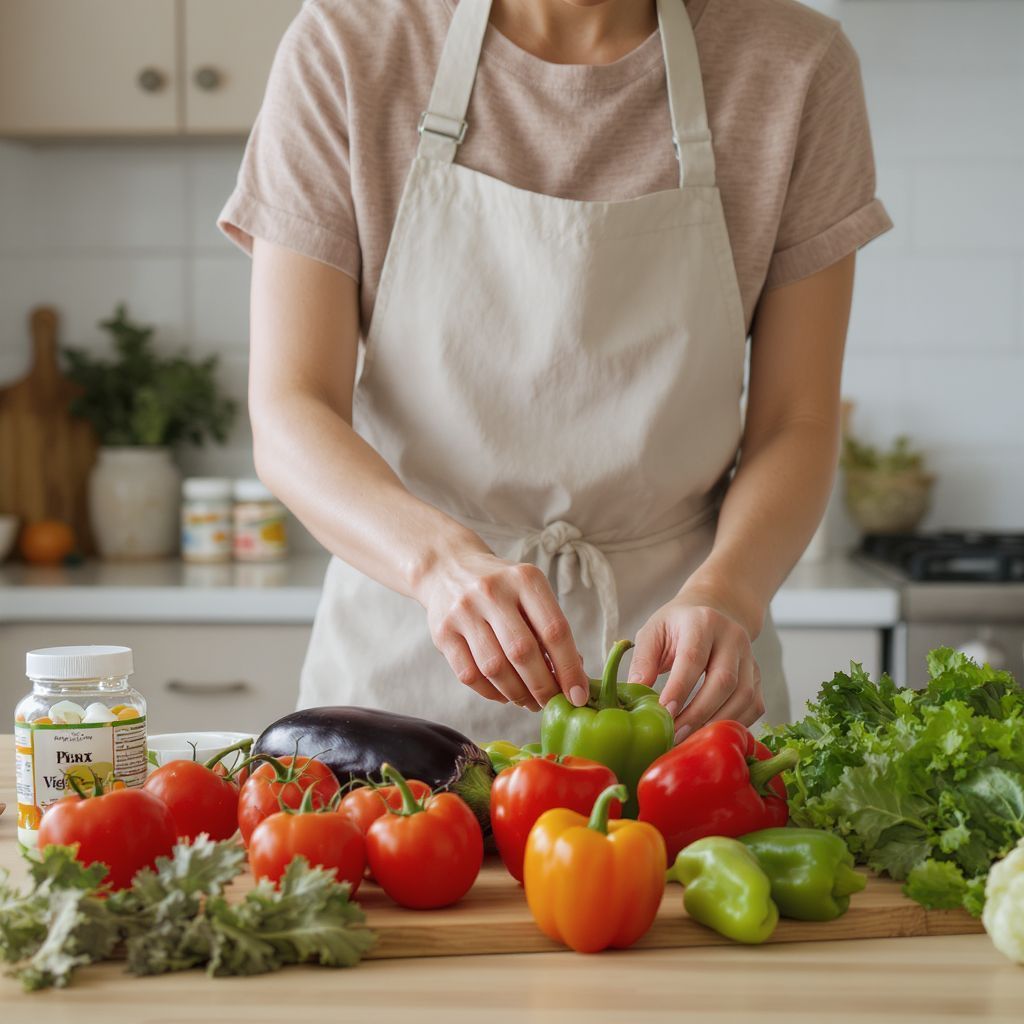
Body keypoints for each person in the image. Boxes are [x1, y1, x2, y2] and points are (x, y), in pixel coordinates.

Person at [218, 0, 891, 746]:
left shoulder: (794, 65)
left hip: (682, 691)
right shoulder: (351, 45)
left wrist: (729, 592)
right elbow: (290, 409)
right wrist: (440, 564)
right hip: (406, 673)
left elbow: (795, 421)